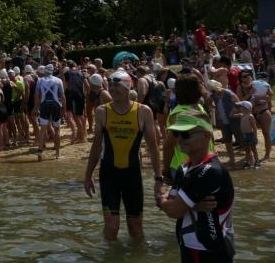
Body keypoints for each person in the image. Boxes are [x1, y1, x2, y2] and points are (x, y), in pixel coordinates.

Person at [84, 71, 162, 242]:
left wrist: (158, 178)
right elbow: (96, 146)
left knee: (136, 228)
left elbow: (153, 148)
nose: (112, 89)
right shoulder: (102, 111)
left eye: (117, 85)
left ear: (128, 87)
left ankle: (138, 254)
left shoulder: (143, 111)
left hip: (132, 175)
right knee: (112, 227)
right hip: (109, 174)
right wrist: (88, 175)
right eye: (111, 85)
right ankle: (110, 254)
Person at [158, 110, 235, 262]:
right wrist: (190, 205)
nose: (179, 139)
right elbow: (172, 205)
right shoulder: (184, 168)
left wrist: (163, 197)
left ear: (206, 135)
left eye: (186, 134)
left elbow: (173, 210)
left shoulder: (209, 171)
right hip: (188, 246)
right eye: (176, 134)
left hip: (210, 250)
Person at [34, 65, 65, 161]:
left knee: (42, 130)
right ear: (52, 71)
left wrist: (36, 108)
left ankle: (39, 152)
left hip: (44, 105)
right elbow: (62, 96)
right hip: (56, 105)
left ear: (45, 71)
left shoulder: (40, 80)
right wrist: (64, 109)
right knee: (57, 129)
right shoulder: (58, 80)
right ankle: (57, 154)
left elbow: (36, 95)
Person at [234, 101, 260, 168]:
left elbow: (254, 127)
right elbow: (232, 115)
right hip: (244, 134)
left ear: (246, 108)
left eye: (241, 107)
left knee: (254, 149)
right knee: (247, 150)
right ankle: (248, 162)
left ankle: (257, 162)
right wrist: (235, 108)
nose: (240, 108)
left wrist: (255, 136)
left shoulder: (250, 116)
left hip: (250, 134)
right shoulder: (242, 115)